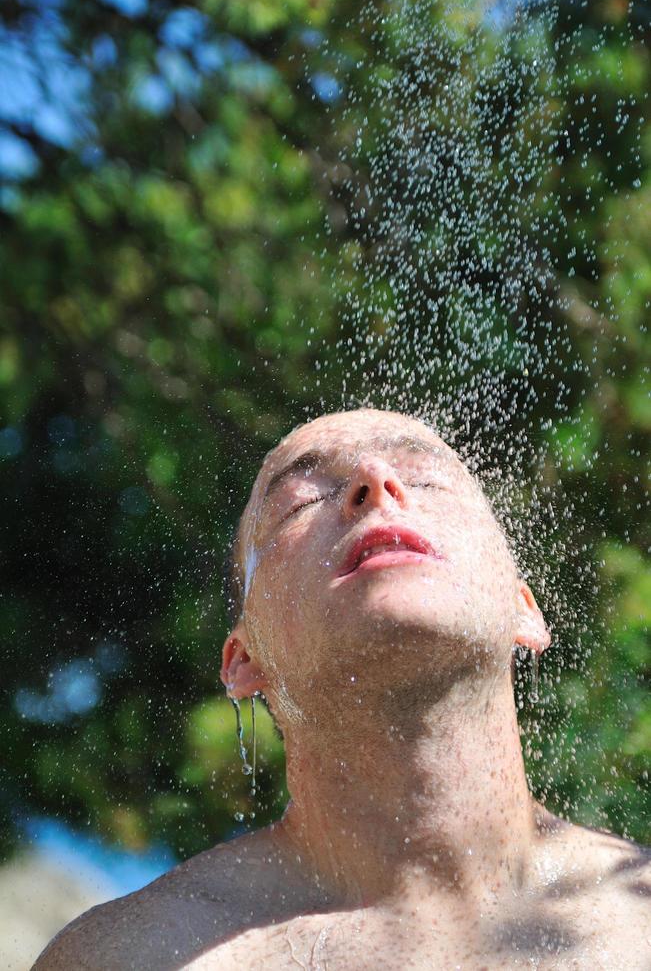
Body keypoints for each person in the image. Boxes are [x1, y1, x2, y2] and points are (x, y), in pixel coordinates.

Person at [35, 408, 650, 970]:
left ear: (525, 611)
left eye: (428, 479)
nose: (377, 482)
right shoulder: (130, 956)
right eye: (301, 502)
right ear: (245, 660)